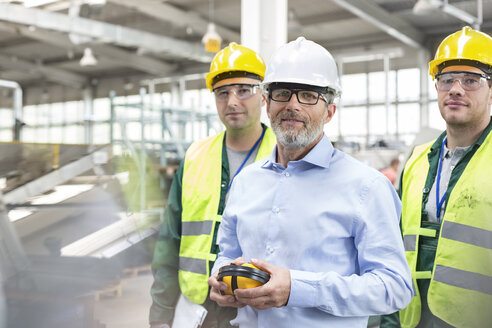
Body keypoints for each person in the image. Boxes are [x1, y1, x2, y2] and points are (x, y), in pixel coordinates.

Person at [208, 37, 413, 328]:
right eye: (282, 93)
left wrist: (298, 288)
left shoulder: (367, 187)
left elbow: (394, 288)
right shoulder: (245, 183)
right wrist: (222, 279)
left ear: (330, 111)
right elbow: (227, 255)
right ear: (267, 103)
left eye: (308, 95)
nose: (292, 105)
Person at [149, 43, 277, 328]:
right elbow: (170, 241)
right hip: (197, 310)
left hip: (259, 312)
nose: (232, 101)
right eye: (222, 92)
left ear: (264, 96)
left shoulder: (283, 157)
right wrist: (160, 314)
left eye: (244, 90)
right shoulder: (195, 157)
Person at [380, 26, 492, 328]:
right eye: (446, 80)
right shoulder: (417, 159)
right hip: (411, 317)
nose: (456, 89)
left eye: (471, 80)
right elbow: (395, 249)